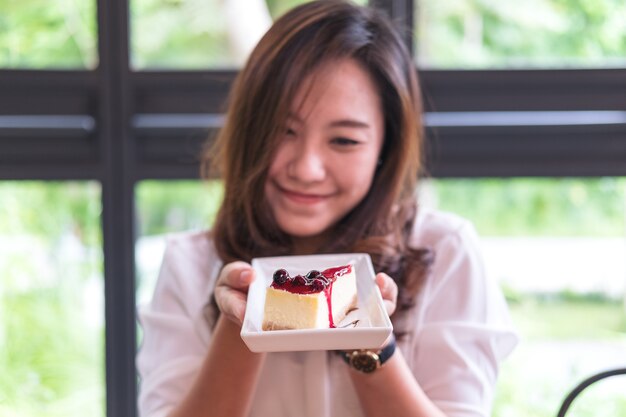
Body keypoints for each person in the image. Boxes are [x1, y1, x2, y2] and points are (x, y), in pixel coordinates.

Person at [136, 1, 518, 416]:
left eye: (343, 141)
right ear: (249, 129)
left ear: (384, 149)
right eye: (283, 131)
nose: (306, 168)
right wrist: (241, 321)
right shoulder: (190, 264)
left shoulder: (444, 251)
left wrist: (370, 342)